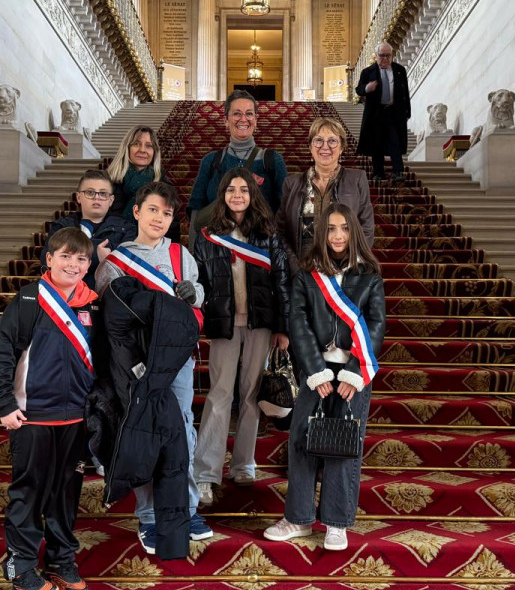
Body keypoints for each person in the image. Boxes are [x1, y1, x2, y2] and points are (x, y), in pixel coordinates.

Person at [95, 181, 211, 554]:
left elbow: (198, 297)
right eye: (153, 210)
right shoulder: (115, 264)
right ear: (136, 211)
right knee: (144, 434)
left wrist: (195, 296)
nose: (159, 218)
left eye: (166, 213)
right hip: (138, 364)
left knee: (183, 433)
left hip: (177, 362)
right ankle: (148, 517)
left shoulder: (181, 255)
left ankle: (187, 509)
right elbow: (109, 318)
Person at [263, 204, 385, 552]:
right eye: (330, 229)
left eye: (344, 228)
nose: (337, 236)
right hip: (315, 372)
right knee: (302, 442)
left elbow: (375, 326)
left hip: (353, 373)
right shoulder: (306, 275)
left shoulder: (370, 275)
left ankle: (336, 522)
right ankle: (299, 518)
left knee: (344, 444)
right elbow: (298, 324)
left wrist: (355, 373)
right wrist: (315, 371)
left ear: (354, 232)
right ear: (321, 233)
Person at [0, 227, 98, 590]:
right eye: (65, 256)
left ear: (89, 265)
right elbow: (1, 354)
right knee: (29, 493)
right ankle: (20, 566)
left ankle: (60, 559)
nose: (73, 264)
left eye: (81, 258)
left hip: (74, 419)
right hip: (32, 416)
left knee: (65, 495)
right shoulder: (27, 301)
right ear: (49, 259)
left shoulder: (92, 305)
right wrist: (3, 404)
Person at [191, 168, 291, 505]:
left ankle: (244, 463)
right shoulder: (208, 235)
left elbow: (281, 282)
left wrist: (283, 327)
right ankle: (206, 472)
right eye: (231, 189)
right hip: (224, 324)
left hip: (261, 324)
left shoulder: (267, 233)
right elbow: (199, 280)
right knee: (220, 395)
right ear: (222, 194)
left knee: (250, 394)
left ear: (253, 195)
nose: (238, 195)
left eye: (244, 190)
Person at [277, 117, 375, 275]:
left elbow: (367, 229)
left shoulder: (357, 179)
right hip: (301, 271)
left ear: (342, 147)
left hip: (342, 271)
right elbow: (281, 231)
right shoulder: (291, 183)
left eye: (332, 141)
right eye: (318, 140)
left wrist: (347, 266)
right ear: (310, 146)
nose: (325, 146)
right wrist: (295, 266)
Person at [186, 90, 288, 222]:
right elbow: (196, 209)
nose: (243, 119)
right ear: (226, 120)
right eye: (236, 114)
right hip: (217, 240)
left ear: (256, 120)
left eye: (249, 114)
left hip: (260, 241)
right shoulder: (210, 161)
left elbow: (286, 208)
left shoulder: (272, 160)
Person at [40, 170, 136, 286]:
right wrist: (103, 256)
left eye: (103, 193)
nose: (96, 198)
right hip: (68, 294)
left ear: (111, 200)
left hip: (111, 295)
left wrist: (72, 254)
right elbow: (48, 262)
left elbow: (129, 265)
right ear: (79, 197)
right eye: (90, 192)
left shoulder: (127, 229)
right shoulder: (61, 227)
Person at [107, 126, 181, 242]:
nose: (142, 150)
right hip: (114, 246)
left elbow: (172, 228)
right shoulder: (108, 182)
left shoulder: (166, 187)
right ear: (127, 148)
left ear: (154, 152)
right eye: (136, 144)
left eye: (149, 146)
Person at [355, 42, 411, 181]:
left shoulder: (399, 70)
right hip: (376, 113)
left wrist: (407, 111)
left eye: (388, 55)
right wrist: (367, 88)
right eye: (382, 55)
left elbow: (405, 93)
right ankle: (378, 172)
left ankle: (398, 171)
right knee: (377, 143)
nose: (385, 58)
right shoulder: (368, 72)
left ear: (392, 56)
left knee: (395, 142)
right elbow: (359, 89)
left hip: (393, 112)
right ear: (376, 56)